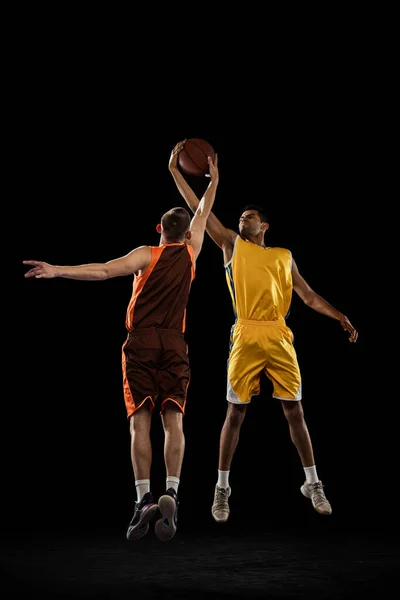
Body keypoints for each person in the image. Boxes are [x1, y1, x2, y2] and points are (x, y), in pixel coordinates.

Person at [23, 141, 219, 542]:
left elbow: (103, 271)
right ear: (187, 233)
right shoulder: (193, 252)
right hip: (175, 345)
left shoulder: (147, 254)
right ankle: (173, 493)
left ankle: (144, 499)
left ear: (159, 229)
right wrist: (213, 180)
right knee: (174, 420)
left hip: (141, 345)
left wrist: (57, 269)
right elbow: (202, 211)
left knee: (140, 423)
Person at [169, 154, 358, 523]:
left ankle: (313, 483)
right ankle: (221, 489)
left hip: (279, 334)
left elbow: (306, 295)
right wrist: (177, 171)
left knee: (295, 411)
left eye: (249, 217)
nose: (243, 220)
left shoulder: (284, 256)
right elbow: (200, 209)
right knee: (235, 413)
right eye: (241, 217)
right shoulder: (230, 245)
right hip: (246, 332)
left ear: (264, 225)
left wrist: (339, 315)